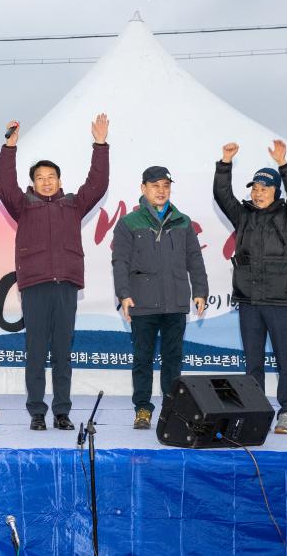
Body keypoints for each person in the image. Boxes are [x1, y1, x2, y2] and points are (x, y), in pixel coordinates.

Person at [0, 114, 110, 431]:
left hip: (65, 286)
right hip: (35, 285)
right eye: (40, 177)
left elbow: (97, 184)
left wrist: (100, 145)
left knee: (62, 352)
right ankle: (36, 412)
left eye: (51, 177)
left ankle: (62, 412)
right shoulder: (23, 205)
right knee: (35, 352)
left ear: (60, 181)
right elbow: (4, 185)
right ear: (33, 183)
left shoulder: (73, 205)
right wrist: (9, 148)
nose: (46, 181)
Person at [212, 140, 287, 434]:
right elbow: (221, 194)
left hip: (279, 302)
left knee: (284, 360)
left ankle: (286, 412)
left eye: (264, 188)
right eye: (255, 188)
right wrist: (225, 164)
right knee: (253, 363)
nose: (258, 193)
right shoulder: (242, 215)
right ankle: (255, 412)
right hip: (249, 301)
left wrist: (284, 166)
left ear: (276, 191)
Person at [111, 166, 208, 429]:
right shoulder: (129, 222)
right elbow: (120, 262)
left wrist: (200, 291)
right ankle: (143, 409)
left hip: (175, 303)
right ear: (143, 188)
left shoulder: (183, 221)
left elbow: (195, 259)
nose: (161, 190)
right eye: (155, 185)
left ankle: (172, 409)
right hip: (142, 303)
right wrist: (124, 294)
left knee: (173, 359)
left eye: (165, 185)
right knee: (142, 359)